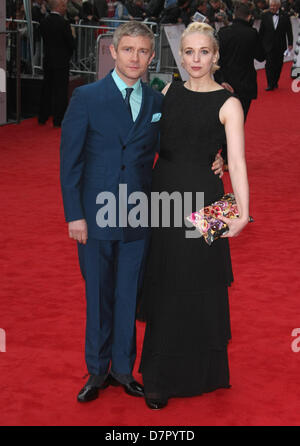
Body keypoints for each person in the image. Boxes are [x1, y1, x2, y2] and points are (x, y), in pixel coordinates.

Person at [60, 20, 224, 403]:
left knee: (129, 294)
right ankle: (97, 371)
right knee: (98, 294)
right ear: (113, 52)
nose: (135, 57)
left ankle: (123, 368)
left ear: (153, 56)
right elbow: (69, 163)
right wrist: (75, 216)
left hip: (140, 213)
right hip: (96, 214)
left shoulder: (158, 100)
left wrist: (215, 160)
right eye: (128, 49)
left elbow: (184, 138)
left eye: (143, 51)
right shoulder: (86, 97)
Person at [138, 21, 249, 410]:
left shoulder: (229, 102)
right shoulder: (169, 91)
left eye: (204, 52)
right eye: (189, 52)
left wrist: (243, 212)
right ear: (180, 55)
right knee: (168, 279)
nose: (196, 59)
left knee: (205, 279)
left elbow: (235, 160)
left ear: (215, 56)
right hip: (164, 195)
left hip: (208, 197)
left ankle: (207, 371)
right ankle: (160, 376)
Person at [214, 2, 265, 164]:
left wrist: (221, 80)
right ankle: (227, 158)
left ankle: (221, 155)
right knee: (237, 123)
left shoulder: (223, 33)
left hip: (225, 85)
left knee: (222, 121)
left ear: (234, 16)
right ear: (249, 17)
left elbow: (215, 60)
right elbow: (261, 56)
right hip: (245, 85)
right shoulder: (252, 34)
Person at [38, 0, 75, 127]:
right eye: (64, 6)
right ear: (58, 7)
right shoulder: (64, 23)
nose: (65, 8)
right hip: (61, 61)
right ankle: (58, 119)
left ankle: (42, 117)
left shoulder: (44, 22)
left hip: (48, 60)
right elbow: (71, 44)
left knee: (46, 89)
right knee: (61, 91)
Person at [259, 0, 293, 91]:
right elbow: (262, 31)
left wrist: (290, 43)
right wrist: (259, 43)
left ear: (278, 6)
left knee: (278, 64)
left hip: (280, 44)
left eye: (274, 6)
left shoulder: (285, 15)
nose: (272, 7)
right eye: (271, 6)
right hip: (268, 45)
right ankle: (270, 83)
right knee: (269, 64)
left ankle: (275, 81)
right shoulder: (265, 15)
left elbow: (289, 31)